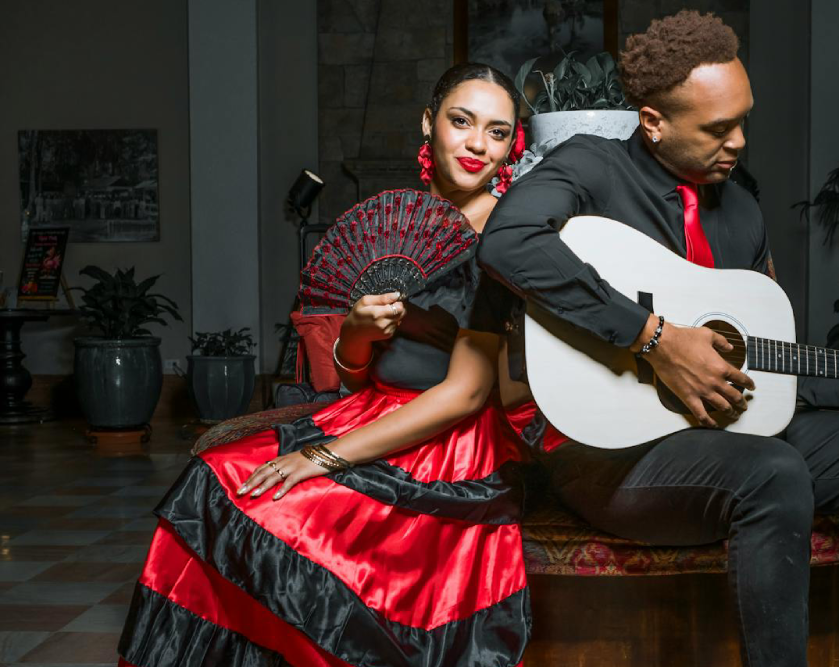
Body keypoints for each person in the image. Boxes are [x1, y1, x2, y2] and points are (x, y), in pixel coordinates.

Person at [477, 11, 839, 667]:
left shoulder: (740, 208)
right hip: (608, 454)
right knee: (772, 473)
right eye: (718, 127)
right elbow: (508, 243)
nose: (739, 140)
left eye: (744, 119)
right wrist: (652, 337)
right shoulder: (590, 169)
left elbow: (758, 355)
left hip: (727, 434)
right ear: (653, 121)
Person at [118, 63, 531, 667]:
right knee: (209, 481)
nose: (476, 145)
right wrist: (358, 334)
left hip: (448, 441)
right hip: (364, 409)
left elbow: (466, 396)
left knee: (290, 509)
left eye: (497, 133)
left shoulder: (506, 234)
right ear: (428, 122)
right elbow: (355, 376)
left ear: (511, 146)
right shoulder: (401, 220)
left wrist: (320, 456)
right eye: (461, 121)